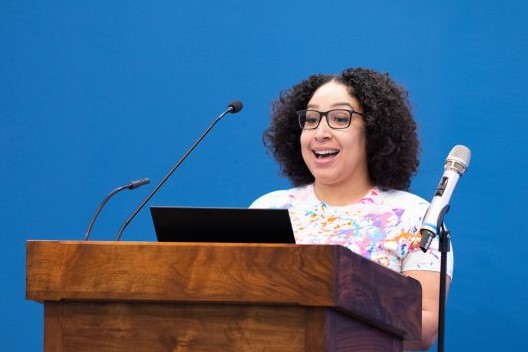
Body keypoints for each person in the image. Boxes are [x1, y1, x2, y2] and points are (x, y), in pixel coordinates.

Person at [250, 67, 453, 351]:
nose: (320, 132)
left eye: (339, 119)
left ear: (374, 130)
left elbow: (425, 323)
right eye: (311, 119)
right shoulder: (269, 208)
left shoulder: (415, 218)